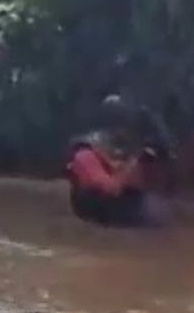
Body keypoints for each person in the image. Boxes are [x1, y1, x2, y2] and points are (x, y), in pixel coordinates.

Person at [65, 95, 165, 226]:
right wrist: (135, 161)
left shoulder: (127, 150)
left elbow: (138, 187)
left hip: (123, 215)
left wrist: (152, 159)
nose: (125, 129)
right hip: (96, 212)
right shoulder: (85, 153)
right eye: (121, 122)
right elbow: (111, 188)